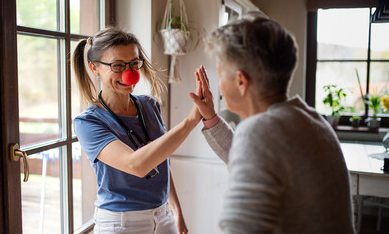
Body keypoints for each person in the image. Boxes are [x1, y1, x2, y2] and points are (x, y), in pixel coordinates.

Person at [189, 17, 355, 233]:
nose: (218, 84)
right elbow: (258, 158)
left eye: (220, 74)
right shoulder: (312, 121)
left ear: (241, 81)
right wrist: (210, 116)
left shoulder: (259, 132)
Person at [73, 27, 199, 234]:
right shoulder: (88, 123)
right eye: (117, 65)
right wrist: (191, 121)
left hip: (163, 216)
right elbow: (136, 165)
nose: (129, 73)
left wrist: (176, 212)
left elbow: (160, 159)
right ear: (94, 68)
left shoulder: (149, 105)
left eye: (134, 63)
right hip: (120, 223)